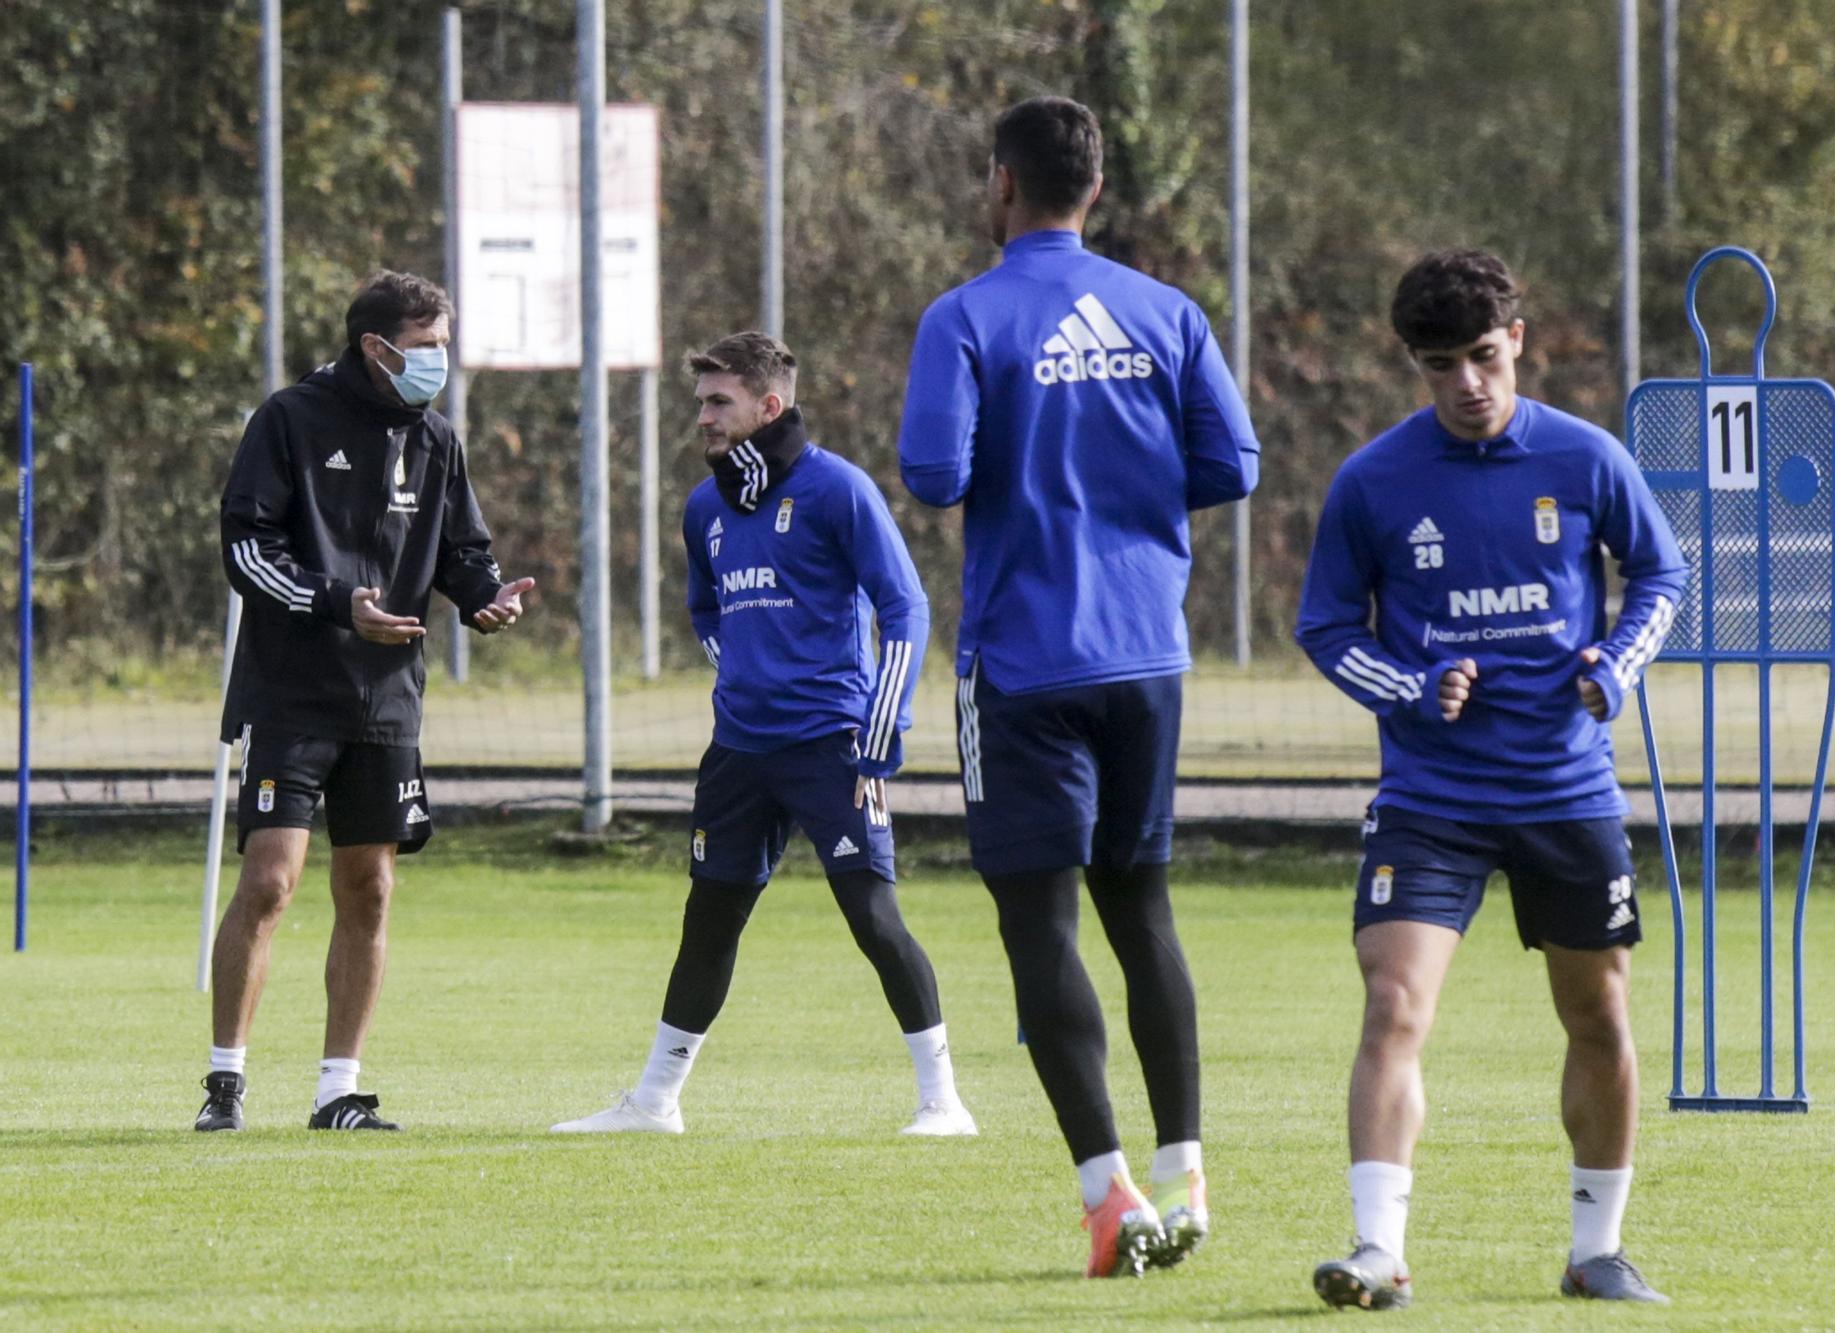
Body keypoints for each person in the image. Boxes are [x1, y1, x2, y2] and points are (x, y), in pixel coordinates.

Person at [896, 96, 1261, 1277]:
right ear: (1093, 189)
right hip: (1145, 653)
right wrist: (1124, 488)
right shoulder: (1165, 311)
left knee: (1037, 924)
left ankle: (1109, 1202)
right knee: (1141, 909)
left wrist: (1031, 459)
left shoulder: (965, 316)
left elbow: (933, 471)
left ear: (1000, 183)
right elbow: (1232, 462)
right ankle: (1183, 1167)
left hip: (1024, 660)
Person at [1295, 248, 1687, 1307]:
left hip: (1563, 787)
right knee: (1391, 1001)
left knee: (1596, 1013)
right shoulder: (1374, 480)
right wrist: (1410, 689)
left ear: (1515, 339)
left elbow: (1659, 571)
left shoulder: (1585, 456)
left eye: (1479, 355)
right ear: (1415, 367)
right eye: (1438, 365)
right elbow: (1325, 625)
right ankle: (1376, 1248)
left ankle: (1594, 1249)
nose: (1465, 383)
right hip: (1430, 799)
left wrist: (1616, 665)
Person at [553, 332, 973, 1139]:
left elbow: (906, 606)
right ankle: (653, 1103)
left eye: (719, 402)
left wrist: (882, 724)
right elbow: (706, 608)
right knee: (708, 922)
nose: (702, 416)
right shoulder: (704, 506)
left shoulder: (837, 489)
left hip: (832, 746)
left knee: (873, 918)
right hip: (739, 750)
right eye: (701, 400)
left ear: (768, 406)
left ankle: (942, 1102)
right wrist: (740, 668)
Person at [197, 270, 534, 1133]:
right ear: (376, 347)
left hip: (388, 697)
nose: (440, 362)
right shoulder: (288, 420)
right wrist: (334, 601)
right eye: (426, 347)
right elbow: (246, 549)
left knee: (370, 887)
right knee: (271, 882)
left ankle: (337, 1090)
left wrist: (488, 595)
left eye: (445, 345)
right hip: (293, 693)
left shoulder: (436, 438)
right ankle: (225, 1082)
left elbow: (464, 549)